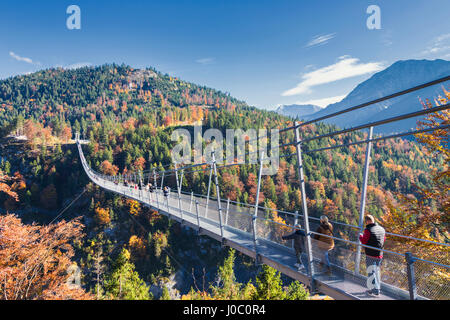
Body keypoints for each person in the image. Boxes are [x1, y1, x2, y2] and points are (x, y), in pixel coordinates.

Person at [359, 214, 386, 297]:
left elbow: (364, 241)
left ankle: (375, 290)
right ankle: (375, 288)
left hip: (371, 254)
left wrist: (360, 236)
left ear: (367, 221)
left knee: (371, 272)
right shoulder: (382, 229)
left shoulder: (368, 230)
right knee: (377, 271)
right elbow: (384, 239)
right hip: (379, 253)